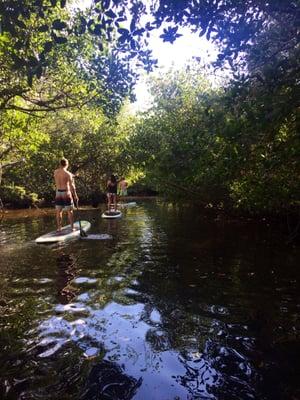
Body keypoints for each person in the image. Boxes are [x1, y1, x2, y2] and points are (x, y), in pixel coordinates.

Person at [54, 158, 78, 232]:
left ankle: (59, 228)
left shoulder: (55, 172)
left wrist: (73, 175)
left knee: (59, 211)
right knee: (70, 211)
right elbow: (72, 186)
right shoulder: (68, 174)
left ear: (60, 164)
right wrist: (75, 196)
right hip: (66, 193)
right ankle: (72, 228)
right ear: (67, 164)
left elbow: (62, 174)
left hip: (58, 192)